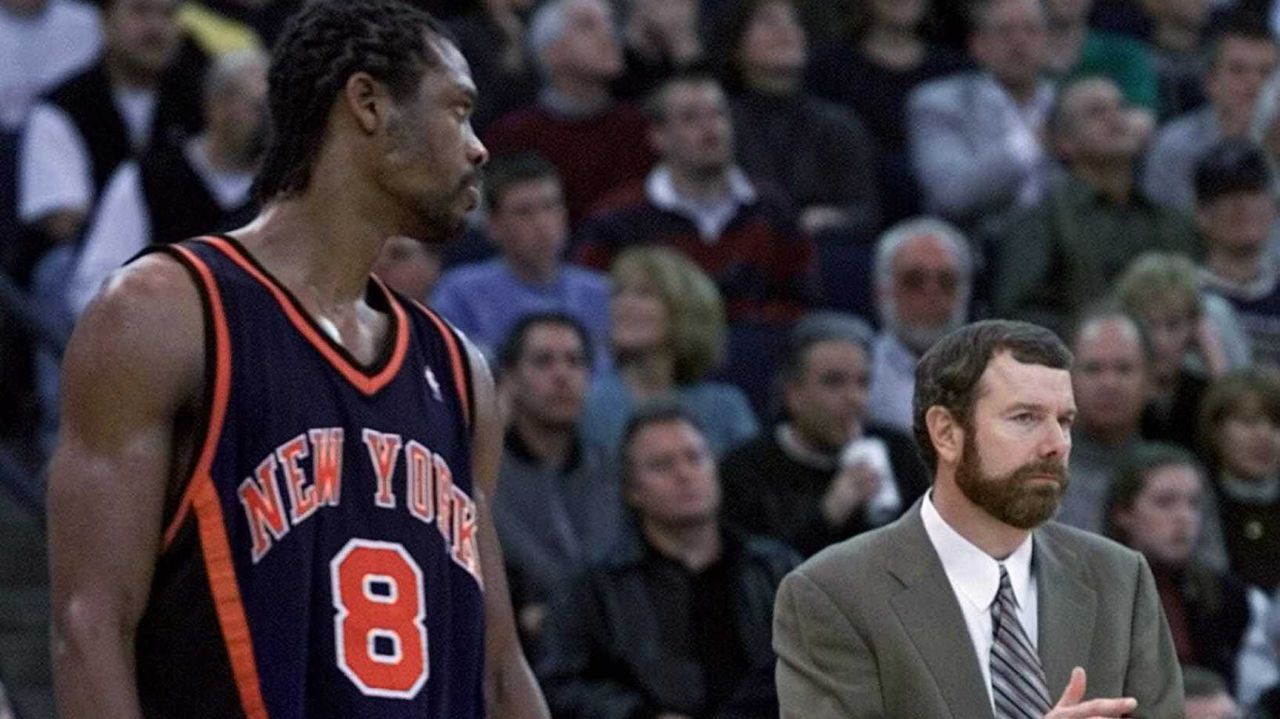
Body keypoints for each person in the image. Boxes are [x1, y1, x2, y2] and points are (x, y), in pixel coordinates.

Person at [46, 2, 549, 717]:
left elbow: (498, 670)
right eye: (458, 111)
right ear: (368, 103)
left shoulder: (459, 368)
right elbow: (90, 625)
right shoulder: (164, 312)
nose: (478, 149)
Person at [773, 319, 1184, 718]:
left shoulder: (1120, 578)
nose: (1057, 444)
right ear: (946, 433)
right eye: (1025, 418)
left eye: (1064, 421)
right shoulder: (833, 593)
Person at [537, 402, 797, 719]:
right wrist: (641, 716)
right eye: (662, 465)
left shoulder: (775, 568)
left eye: (695, 457)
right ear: (633, 491)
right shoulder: (595, 586)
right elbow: (558, 684)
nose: (684, 474)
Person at [576, 72, 819, 325]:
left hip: (759, 344)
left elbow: (801, 301)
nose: (710, 128)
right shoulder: (617, 218)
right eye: (690, 117)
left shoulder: (771, 207)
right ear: (658, 136)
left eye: (718, 114)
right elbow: (592, 305)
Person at [991, 74, 1200, 335]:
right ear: (1064, 141)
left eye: (1121, 107)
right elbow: (1018, 316)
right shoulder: (1042, 220)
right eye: (1096, 112)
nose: (1116, 118)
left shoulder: (1170, 219)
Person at [66, 47, 267, 317]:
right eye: (260, 108)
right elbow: (94, 288)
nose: (273, 121)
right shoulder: (147, 179)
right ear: (217, 105)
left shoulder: (288, 189)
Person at [719, 313, 931, 557]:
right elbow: (757, 571)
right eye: (834, 382)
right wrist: (828, 515)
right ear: (793, 393)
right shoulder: (746, 470)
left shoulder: (900, 452)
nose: (855, 398)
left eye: (862, 382)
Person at [492, 313, 622, 651]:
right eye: (543, 361)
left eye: (575, 362)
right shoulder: (482, 474)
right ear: (510, 378)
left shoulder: (615, 471)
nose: (562, 375)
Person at [719, 0, 881, 241]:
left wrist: (832, 218)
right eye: (768, 21)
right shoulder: (721, 122)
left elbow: (867, 211)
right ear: (736, 47)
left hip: (824, 247)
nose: (785, 30)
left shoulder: (838, 123)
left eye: (793, 21)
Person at [430, 153, 611, 368]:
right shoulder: (460, 294)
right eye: (524, 212)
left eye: (550, 206)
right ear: (493, 226)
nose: (542, 223)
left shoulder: (601, 293)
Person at [482, 0, 655, 225]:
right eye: (587, 25)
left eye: (610, 23)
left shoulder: (640, 126)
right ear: (550, 52)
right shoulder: (514, 136)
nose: (609, 35)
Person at [581, 246, 758, 456]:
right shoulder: (586, 402)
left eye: (644, 293)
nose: (624, 304)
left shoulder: (725, 408)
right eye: (618, 293)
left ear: (684, 311)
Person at [1103, 443, 1251, 691]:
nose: (1184, 517)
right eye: (1165, 502)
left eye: (1193, 503)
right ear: (1124, 513)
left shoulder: (1224, 594)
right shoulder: (1090, 593)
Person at [906, 0, 1055, 228]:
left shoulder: (1067, 104)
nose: (1019, 41)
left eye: (1031, 30)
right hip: (981, 240)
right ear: (978, 45)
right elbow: (951, 194)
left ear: (1048, 41)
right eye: (1004, 31)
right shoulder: (938, 104)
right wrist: (1028, 145)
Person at [1143, 14, 1278, 213]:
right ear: (1210, 82)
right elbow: (1164, 221)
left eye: (1266, 72)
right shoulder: (1176, 146)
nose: (1254, 82)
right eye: (1237, 70)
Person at [867, 216, 974, 434]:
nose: (932, 293)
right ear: (883, 290)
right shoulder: (861, 374)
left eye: (946, 281)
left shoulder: (990, 374)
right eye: (914, 281)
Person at [1195, 139, 1280, 368]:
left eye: (1252, 191)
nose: (1242, 205)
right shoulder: (1187, 299)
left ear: (1274, 206)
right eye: (1227, 194)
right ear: (1201, 213)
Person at [1199, 369, 1280, 592]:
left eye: (1276, 424)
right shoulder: (1196, 498)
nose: (1264, 435)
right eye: (1249, 422)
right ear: (1216, 431)